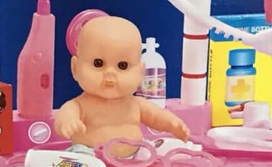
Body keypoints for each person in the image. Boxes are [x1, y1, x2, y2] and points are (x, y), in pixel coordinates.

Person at [54, 13, 189, 157]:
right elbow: (64, 116)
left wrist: (172, 124)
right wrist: (68, 123)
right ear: (75, 68)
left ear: (140, 72)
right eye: (98, 63)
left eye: (122, 65)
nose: (110, 73)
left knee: (159, 151)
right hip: (90, 154)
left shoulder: (137, 104)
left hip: (135, 156)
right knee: (79, 160)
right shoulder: (79, 105)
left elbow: (157, 116)